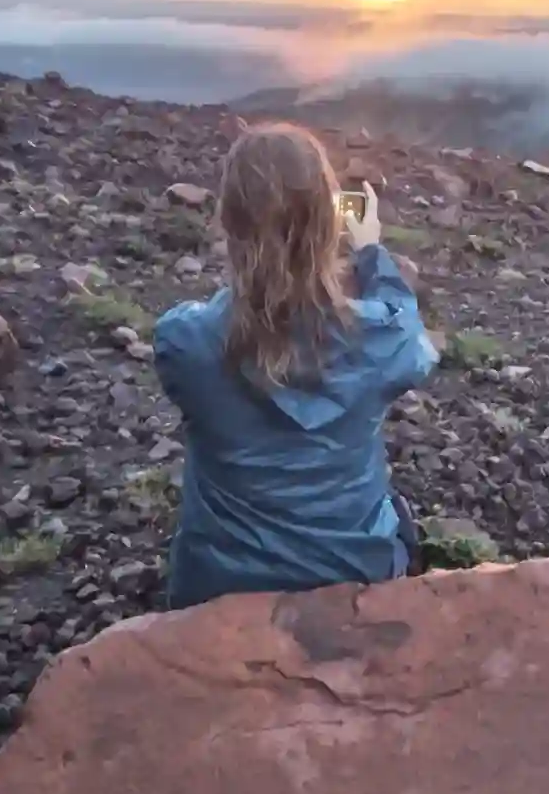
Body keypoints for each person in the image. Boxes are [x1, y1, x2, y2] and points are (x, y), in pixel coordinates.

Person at [153, 122, 438, 608]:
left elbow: (245, 325)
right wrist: (370, 253)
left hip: (220, 579)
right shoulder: (380, 337)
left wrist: (256, 287)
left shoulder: (185, 341)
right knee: (401, 520)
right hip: (350, 569)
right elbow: (412, 339)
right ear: (329, 222)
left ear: (229, 221)